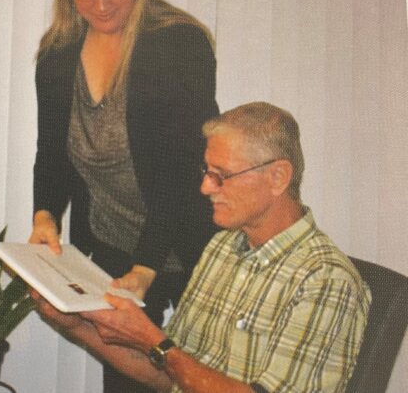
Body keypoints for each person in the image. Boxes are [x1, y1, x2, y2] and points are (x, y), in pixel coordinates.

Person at [34, 101, 372, 393]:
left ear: (278, 177)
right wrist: (76, 324)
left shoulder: (325, 279)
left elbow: (167, 355)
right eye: (206, 171)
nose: (206, 187)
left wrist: (153, 341)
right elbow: (170, 375)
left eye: (221, 175)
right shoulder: (222, 247)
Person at [29, 0, 218, 392]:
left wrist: (148, 265)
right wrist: (45, 215)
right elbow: (51, 152)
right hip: (113, 241)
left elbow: (182, 167)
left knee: (201, 376)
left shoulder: (179, 43)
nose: (101, 4)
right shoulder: (57, 57)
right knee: (126, 381)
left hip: (191, 239)